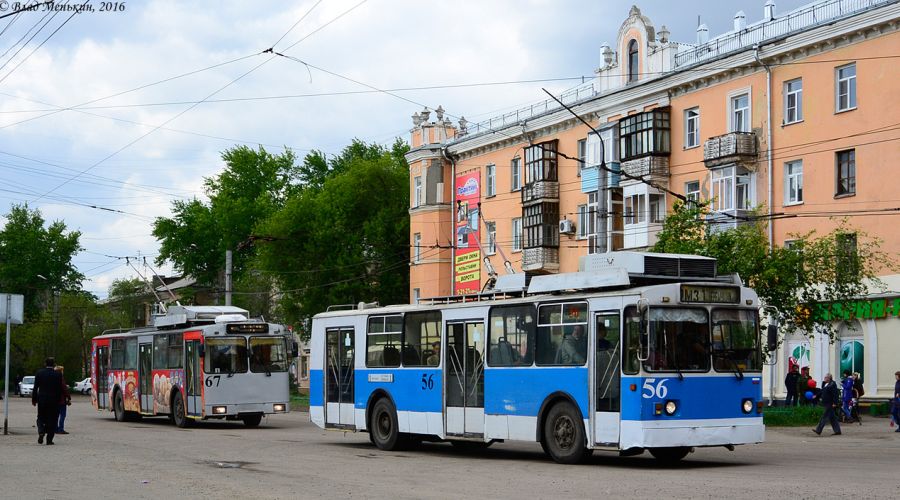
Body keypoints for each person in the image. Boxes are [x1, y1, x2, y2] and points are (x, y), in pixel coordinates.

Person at [32, 357, 64, 445]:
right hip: (54, 400)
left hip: (42, 399)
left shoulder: (39, 373)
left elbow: (35, 388)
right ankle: (49, 440)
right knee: (52, 419)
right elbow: (60, 389)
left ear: (45, 364)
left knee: (40, 417)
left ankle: (41, 431)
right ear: (54, 364)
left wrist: (34, 399)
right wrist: (60, 400)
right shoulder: (58, 374)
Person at [55, 365, 72, 435]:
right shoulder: (61, 378)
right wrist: (69, 397)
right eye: (62, 370)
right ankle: (61, 429)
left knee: (56, 415)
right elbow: (64, 389)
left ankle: (55, 428)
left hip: (54, 399)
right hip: (61, 400)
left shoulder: (53, 378)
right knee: (62, 415)